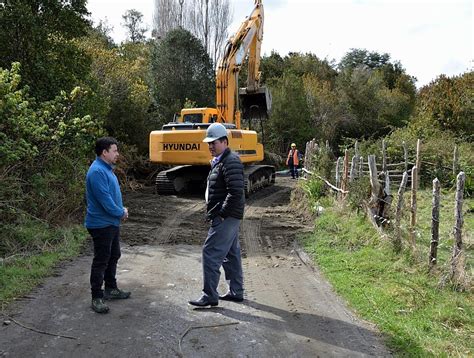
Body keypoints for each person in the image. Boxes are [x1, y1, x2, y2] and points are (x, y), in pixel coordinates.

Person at [189, 123, 245, 307]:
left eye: (214, 142)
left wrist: (221, 214)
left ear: (225, 142)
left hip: (226, 217)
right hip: (229, 216)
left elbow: (236, 192)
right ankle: (236, 291)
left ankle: (209, 295)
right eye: (209, 143)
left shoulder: (230, 161)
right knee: (231, 253)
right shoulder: (221, 161)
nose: (210, 146)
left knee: (210, 252)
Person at [85, 137, 131, 314]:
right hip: (101, 224)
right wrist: (121, 212)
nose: (117, 154)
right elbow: (106, 201)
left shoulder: (106, 169)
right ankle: (97, 296)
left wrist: (120, 209)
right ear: (104, 152)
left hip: (110, 223)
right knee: (101, 260)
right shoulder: (97, 171)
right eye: (114, 150)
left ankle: (111, 288)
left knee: (114, 255)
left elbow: (112, 197)